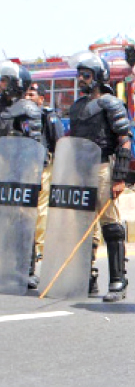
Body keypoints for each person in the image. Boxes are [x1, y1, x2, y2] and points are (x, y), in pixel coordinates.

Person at [68, 53, 132, 302]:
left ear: (98, 77)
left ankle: (118, 279)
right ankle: (88, 276)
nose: (81, 79)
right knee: (84, 225)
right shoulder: (76, 107)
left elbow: (124, 141)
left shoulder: (110, 103)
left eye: (86, 75)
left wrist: (119, 178)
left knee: (110, 224)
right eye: (80, 74)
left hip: (104, 167)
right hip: (81, 170)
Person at [25, 82, 64, 289]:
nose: (28, 97)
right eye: (26, 93)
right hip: (22, 169)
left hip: (43, 168)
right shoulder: (18, 114)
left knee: (40, 212)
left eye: (32, 94)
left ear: (42, 99)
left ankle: (38, 250)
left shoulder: (48, 116)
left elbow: (59, 143)